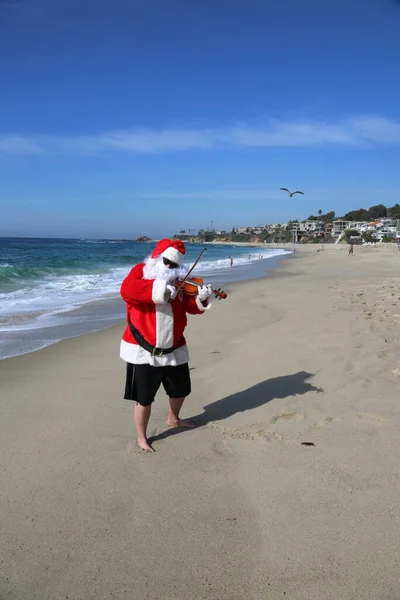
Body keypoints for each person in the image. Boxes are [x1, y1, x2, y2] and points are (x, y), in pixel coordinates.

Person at [120, 239, 213, 452]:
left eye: (174, 264)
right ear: (157, 257)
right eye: (167, 262)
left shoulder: (180, 280)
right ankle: (141, 437)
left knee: (180, 390)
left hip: (175, 346)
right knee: (143, 398)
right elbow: (127, 290)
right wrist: (159, 290)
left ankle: (174, 419)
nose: (170, 267)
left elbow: (191, 307)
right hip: (143, 349)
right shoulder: (141, 272)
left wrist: (201, 298)